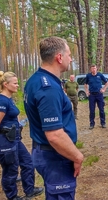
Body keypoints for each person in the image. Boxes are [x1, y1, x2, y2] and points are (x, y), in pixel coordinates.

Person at [24, 36, 84, 200]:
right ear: (59, 57)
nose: (70, 59)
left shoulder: (35, 80)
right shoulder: (48, 87)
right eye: (69, 55)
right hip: (55, 156)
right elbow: (55, 135)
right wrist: (77, 156)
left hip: (45, 151)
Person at [0, 71, 43, 200]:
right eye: (15, 83)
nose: (17, 85)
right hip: (5, 141)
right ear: (6, 84)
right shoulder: (2, 101)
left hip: (14, 139)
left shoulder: (9, 99)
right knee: (11, 170)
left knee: (27, 162)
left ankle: (29, 189)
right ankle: (12, 196)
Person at [84, 64, 108, 129]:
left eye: (94, 68)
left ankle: (103, 123)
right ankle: (92, 124)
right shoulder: (88, 76)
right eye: (92, 68)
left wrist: (104, 89)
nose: (93, 70)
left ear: (96, 69)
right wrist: (87, 91)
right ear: (90, 69)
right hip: (91, 95)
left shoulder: (100, 75)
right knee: (92, 110)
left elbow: (106, 83)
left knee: (101, 109)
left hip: (99, 95)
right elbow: (85, 84)